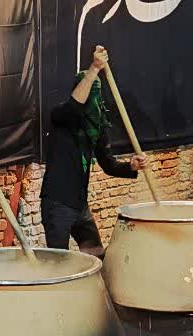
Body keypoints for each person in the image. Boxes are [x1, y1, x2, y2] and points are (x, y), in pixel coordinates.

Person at [40, 46, 146, 256]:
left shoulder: (95, 127)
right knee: (57, 262)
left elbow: (109, 164)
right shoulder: (61, 117)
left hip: (80, 206)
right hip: (57, 205)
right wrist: (94, 68)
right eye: (89, 91)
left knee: (97, 255)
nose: (93, 99)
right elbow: (74, 106)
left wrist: (131, 166)